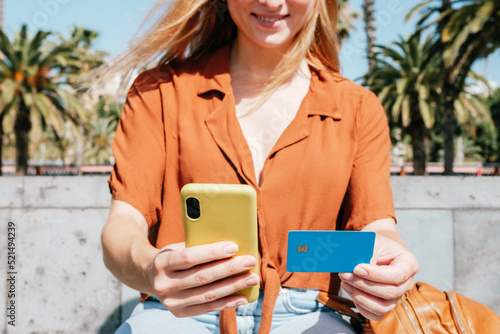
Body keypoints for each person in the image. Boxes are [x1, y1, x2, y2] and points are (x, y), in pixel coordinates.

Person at [101, 0, 419, 333]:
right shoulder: (159, 93)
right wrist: (151, 269)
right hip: (179, 313)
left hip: (312, 313)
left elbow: (377, 226)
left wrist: (391, 261)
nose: (270, 2)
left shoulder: (358, 108)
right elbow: (124, 223)